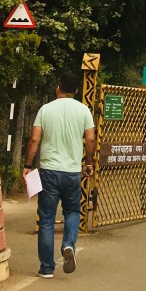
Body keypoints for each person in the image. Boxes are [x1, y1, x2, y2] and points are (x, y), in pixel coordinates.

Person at [24, 72, 96, 278]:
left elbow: (34, 140)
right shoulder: (84, 110)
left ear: (58, 88)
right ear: (76, 91)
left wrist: (28, 165)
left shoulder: (45, 109)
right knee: (72, 211)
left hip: (49, 172)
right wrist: (88, 162)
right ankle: (68, 245)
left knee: (46, 218)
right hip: (73, 172)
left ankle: (47, 268)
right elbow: (90, 140)